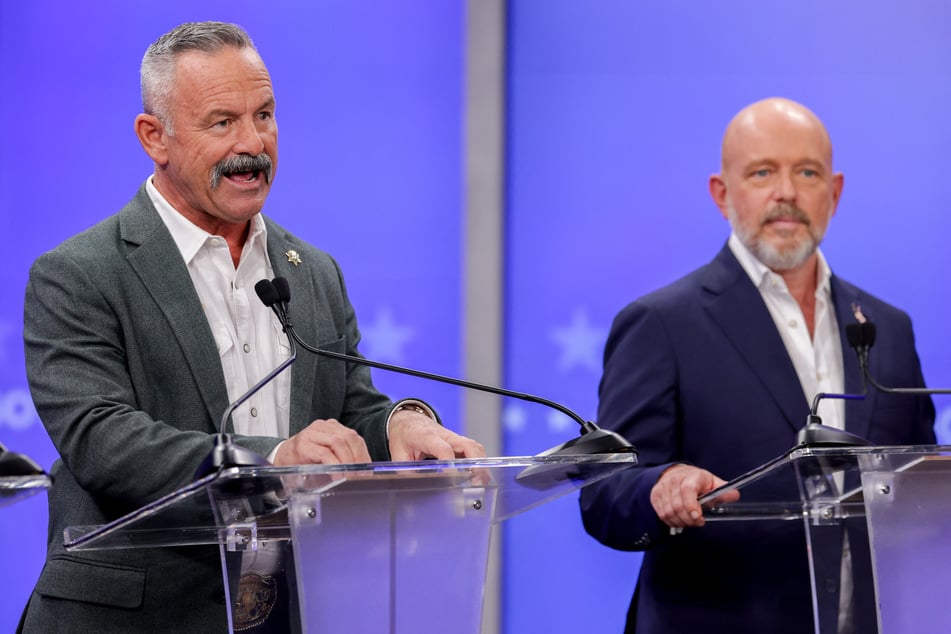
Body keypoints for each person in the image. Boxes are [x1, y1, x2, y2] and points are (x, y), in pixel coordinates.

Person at [19, 21, 484, 633]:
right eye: (222, 122)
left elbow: (349, 410)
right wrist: (275, 462)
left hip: (290, 609)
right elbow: (103, 441)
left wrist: (400, 424)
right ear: (154, 137)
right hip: (137, 616)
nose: (253, 143)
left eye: (264, 115)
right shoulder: (78, 274)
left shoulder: (312, 271)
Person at [579, 97, 935, 633]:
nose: (786, 193)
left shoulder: (888, 327)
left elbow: (921, 492)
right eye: (762, 172)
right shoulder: (661, 323)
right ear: (722, 194)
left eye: (806, 172)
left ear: (834, 194)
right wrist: (660, 486)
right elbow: (604, 494)